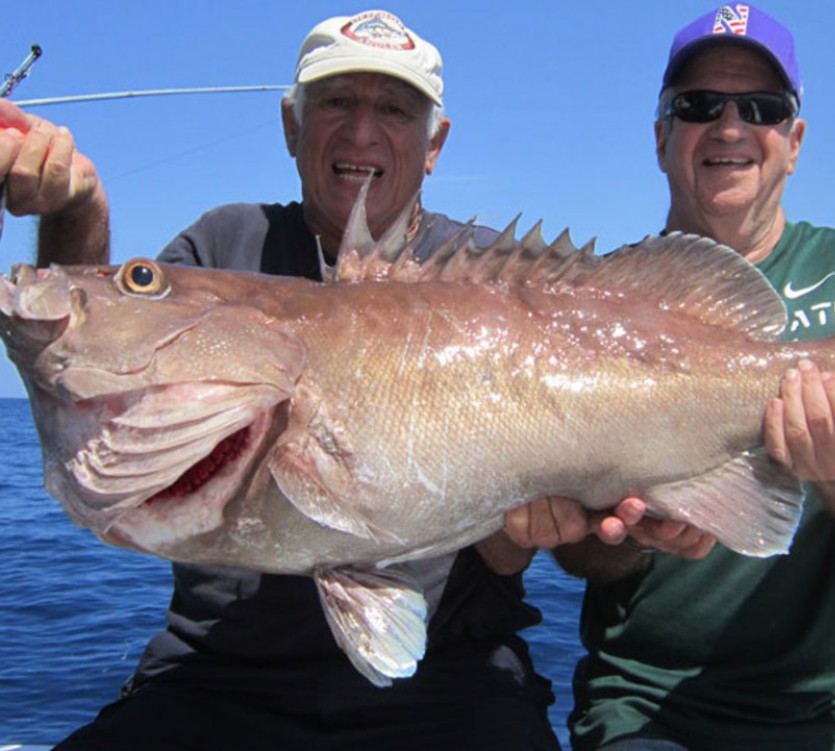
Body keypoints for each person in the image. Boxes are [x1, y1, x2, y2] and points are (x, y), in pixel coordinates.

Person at [1, 10, 565, 750]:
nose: (362, 131)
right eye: (335, 101)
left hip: (454, 681)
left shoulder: (503, 288)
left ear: (436, 144)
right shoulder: (223, 246)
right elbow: (94, 380)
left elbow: (589, 540)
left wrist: (550, 525)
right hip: (218, 676)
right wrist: (79, 210)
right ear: (291, 126)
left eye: (394, 109)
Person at [505, 5, 835, 750]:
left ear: (794, 141)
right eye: (698, 107)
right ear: (662, 137)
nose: (729, 127)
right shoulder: (586, 299)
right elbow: (586, 557)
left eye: (761, 109)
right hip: (648, 697)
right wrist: (627, 533)